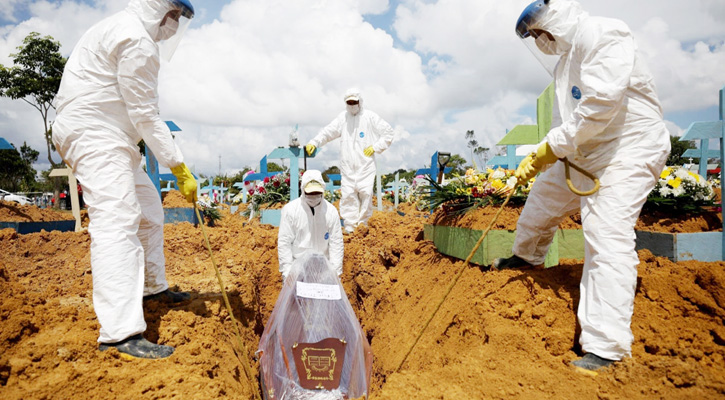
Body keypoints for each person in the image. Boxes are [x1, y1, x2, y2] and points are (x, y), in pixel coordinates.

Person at [495, 0, 670, 371]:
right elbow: (568, 122)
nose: (540, 41)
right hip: (584, 151)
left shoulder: (605, 34)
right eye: (535, 38)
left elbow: (600, 105)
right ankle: (525, 257)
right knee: (541, 202)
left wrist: (550, 148)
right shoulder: (563, 65)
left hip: (627, 149)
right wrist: (542, 156)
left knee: (605, 232)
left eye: (541, 33)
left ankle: (607, 347)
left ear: (555, 21)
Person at [51, 0, 197, 359]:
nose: (175, 24)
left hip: (112, 134)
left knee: (149, 209)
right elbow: (145, 113)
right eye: (174, 14)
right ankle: (119, 333)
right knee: (117, 221)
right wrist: (178, 166)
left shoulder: (122, 28)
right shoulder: (137, 40)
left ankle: (152, 288)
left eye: (180, 17)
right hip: (95, 132)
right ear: (157, 7)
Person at [305, 88, 395, 234]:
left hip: (365, 165)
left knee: (365, 194)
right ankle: (350, 227)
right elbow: (328, 132)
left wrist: (375, 147)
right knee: (348, 195)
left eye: (355, 102)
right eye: (349, 102)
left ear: (360, 102)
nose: (352, 105)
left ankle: (363, 225)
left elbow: (388, 133)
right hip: (347, 166)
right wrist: (315, 142)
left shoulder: (370, 117)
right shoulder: (343, 118)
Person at [278, 170, 344, 279]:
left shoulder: (330, 211)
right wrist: (288, 272)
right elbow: (284, 242)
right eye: (310, 193)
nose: (314, 196)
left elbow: (336, 242)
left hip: (324, 269)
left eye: (316, 193)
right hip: (298, 268)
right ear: (303, 190)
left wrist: (335, 272)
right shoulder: (291, 210)